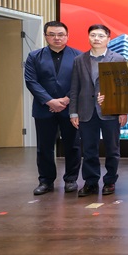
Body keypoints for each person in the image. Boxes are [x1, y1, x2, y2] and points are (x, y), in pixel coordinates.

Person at [24, 21, 83, 195]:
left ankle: (71, 180)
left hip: (70, 108)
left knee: (73, 145)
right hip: (44, 109)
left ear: (67, 36)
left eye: (60, 34)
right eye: (52, 34)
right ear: (45, 36)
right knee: (44, 147)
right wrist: (50, 101)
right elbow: (31, 81)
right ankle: (46, 181)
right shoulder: (34, 56)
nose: (56, 38)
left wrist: (65, 100)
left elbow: (81, 81)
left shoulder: (78, 56)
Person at [69, 24, 128, 197]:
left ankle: (110, 181)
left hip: (111, 111)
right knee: (89, 150)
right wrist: (73, 112)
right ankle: (91, 182)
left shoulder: (118, 59)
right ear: (88, 37)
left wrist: (123, 111)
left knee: (112, 149)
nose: (96, 38)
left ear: (108, 39)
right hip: (86, 111)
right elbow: (74, 88)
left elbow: (124, 88)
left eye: (101, 36)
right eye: (93, 35)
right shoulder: (79, 60)